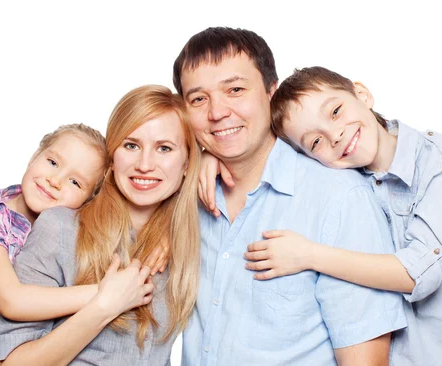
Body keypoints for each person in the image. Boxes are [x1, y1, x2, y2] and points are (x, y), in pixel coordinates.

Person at [203, 66, 442, 365]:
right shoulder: (351, 184)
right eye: (315, 142)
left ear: (362, 95)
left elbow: (419, 273)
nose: (334, 135)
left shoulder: (438, 158)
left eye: (335, 111)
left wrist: (309, 255)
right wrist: (211, 157)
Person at [172, 27, 407, 365]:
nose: (217, 112)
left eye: (235, 89)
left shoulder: (338, 197)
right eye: (198, 99)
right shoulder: (181, 197)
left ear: (271, 91)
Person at [0, 85, 201, 365]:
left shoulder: (188, 241)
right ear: (112, 157)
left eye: (164, 148)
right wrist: (103, 306)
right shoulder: (61, 227)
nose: (145, 164)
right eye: (131, 145)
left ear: (187, 163)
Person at [0, 123, 113, 366]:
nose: (55, 180)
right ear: (33, 157)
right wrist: (105, 293)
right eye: (53, 162)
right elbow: (11, 301)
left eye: (75, 182)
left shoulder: (66, 236)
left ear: (88, 201)